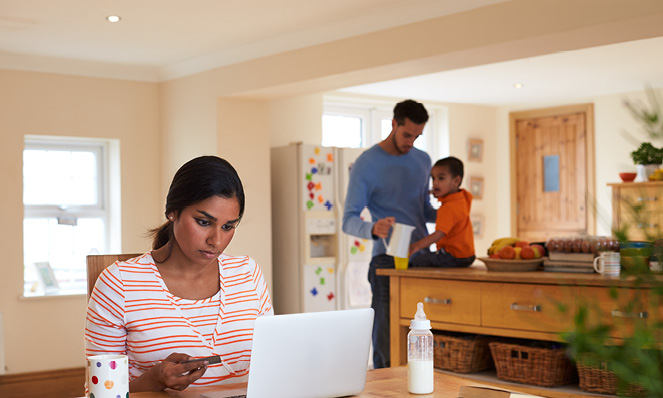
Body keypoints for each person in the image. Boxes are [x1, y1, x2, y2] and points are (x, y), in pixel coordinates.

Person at [85, 156, 273, 392]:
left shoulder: (248, 273)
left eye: (228, 227)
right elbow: (100, 392)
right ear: (173, 211)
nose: (216, 241)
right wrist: (153, 381)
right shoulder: (118, 283)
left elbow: (271, 366)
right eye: (203, 222)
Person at [342, 99, 436, 369]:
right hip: (387, 260)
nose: (411, 142)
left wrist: (453, 213)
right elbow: (348, 220)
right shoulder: (367, 164)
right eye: (407, 135)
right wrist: (372, 228)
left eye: (417, 136)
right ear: (393, 124)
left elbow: (424, 210)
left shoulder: (423, 160)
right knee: (386, 338)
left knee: (423, 334)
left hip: (421, 257)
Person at [408, 157, 476, 268]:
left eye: (441, 178)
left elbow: (439, 234)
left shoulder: (448, 207)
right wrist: (431, 192)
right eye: (433, 178)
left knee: (417, 261)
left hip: (453, 256)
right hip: (468, 255)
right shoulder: (463, 197)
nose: (435, 183)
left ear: (456, 181)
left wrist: (416, 246)